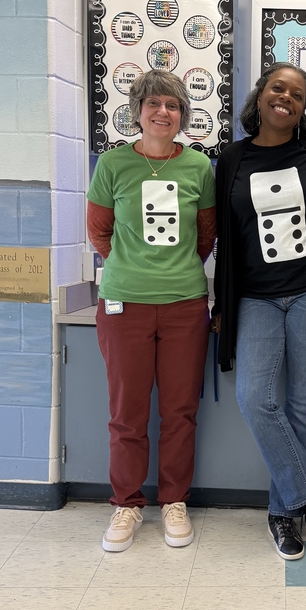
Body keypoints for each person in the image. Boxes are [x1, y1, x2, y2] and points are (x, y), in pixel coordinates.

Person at [212, 62, 306, 560]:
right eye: (279, 88)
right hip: (254, 296)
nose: (287, 98)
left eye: (298, 94)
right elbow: (224, 237)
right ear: (261, 96)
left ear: (304, 107)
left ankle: (284, 514)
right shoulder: (232, 158)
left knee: (301, 404)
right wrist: (219, 304)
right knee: (254, 397)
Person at [87, 70, 216, 552]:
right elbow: (99, 233)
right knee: (127, 412)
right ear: (137, 110)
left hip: (185, 304)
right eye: (154, 103)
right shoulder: (113, 165)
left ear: (183, 115)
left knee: (181, 411)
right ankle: (126, 504)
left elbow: (206, 236)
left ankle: (174, 501)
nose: (164, 112)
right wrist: (131, 267)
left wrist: (175, 271)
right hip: (124, 305)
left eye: (174, 105)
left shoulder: (199, 167)